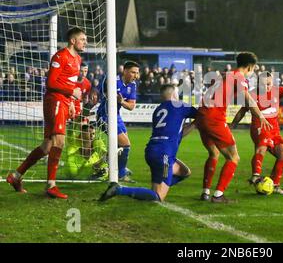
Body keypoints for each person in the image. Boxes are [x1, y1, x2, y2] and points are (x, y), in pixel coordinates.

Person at [7, 27, 86, 198]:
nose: (85, 43)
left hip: (64, 101)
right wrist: (72, 93)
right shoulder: (61, 56)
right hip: (55, 100)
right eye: (82, 39)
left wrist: (71, 102)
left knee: (47, 146)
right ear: (73, 40)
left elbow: (69, 82)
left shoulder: (78, 59)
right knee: (59, 141)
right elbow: (50, 82)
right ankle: (51, 185)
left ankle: (16, 176)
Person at [99, 84, 197, 202]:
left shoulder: (158, 110)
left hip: (152, 150)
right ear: (174, 94)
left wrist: (194, 125)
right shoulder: (180, 106)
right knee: (158, 196)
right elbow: (202, 114)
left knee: (184, 172)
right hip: (164, 154)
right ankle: (119, 190)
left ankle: (156, 188)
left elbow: (178, 133)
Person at [197, 52, 271, 203]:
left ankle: (205, 192)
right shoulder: (239, 76)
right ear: (250, 66)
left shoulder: (225, 75)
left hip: (203, 114)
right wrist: (261, 116)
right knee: (233, 157)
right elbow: (248, 99)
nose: (253, 72)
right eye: (254, 69)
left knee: (214, 153)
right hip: (214, 117)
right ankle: (218, 195)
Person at [230, 72, 283, 194]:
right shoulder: (252, 94)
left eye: (269, 84)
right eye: (264, 84)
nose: (267, 87)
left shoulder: (277, 90)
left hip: (274, 130)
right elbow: (242, 111)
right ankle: (256, 174)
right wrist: (232, 125)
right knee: (263, 146)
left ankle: (274, 185)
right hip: (259, 127)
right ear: (259, 83)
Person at [97, 61, 140, 183]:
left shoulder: (133, 85)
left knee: (119, 146)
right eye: (133, 72)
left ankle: (98, 165)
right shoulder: (112, 80)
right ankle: (120, 173)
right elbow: (101, 92)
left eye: (137, 73)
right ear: (125, 71)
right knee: (125, 144)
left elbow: (131, 106)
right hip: (104, 116)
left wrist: (121, 102)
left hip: (116, 116)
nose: (135, 76)